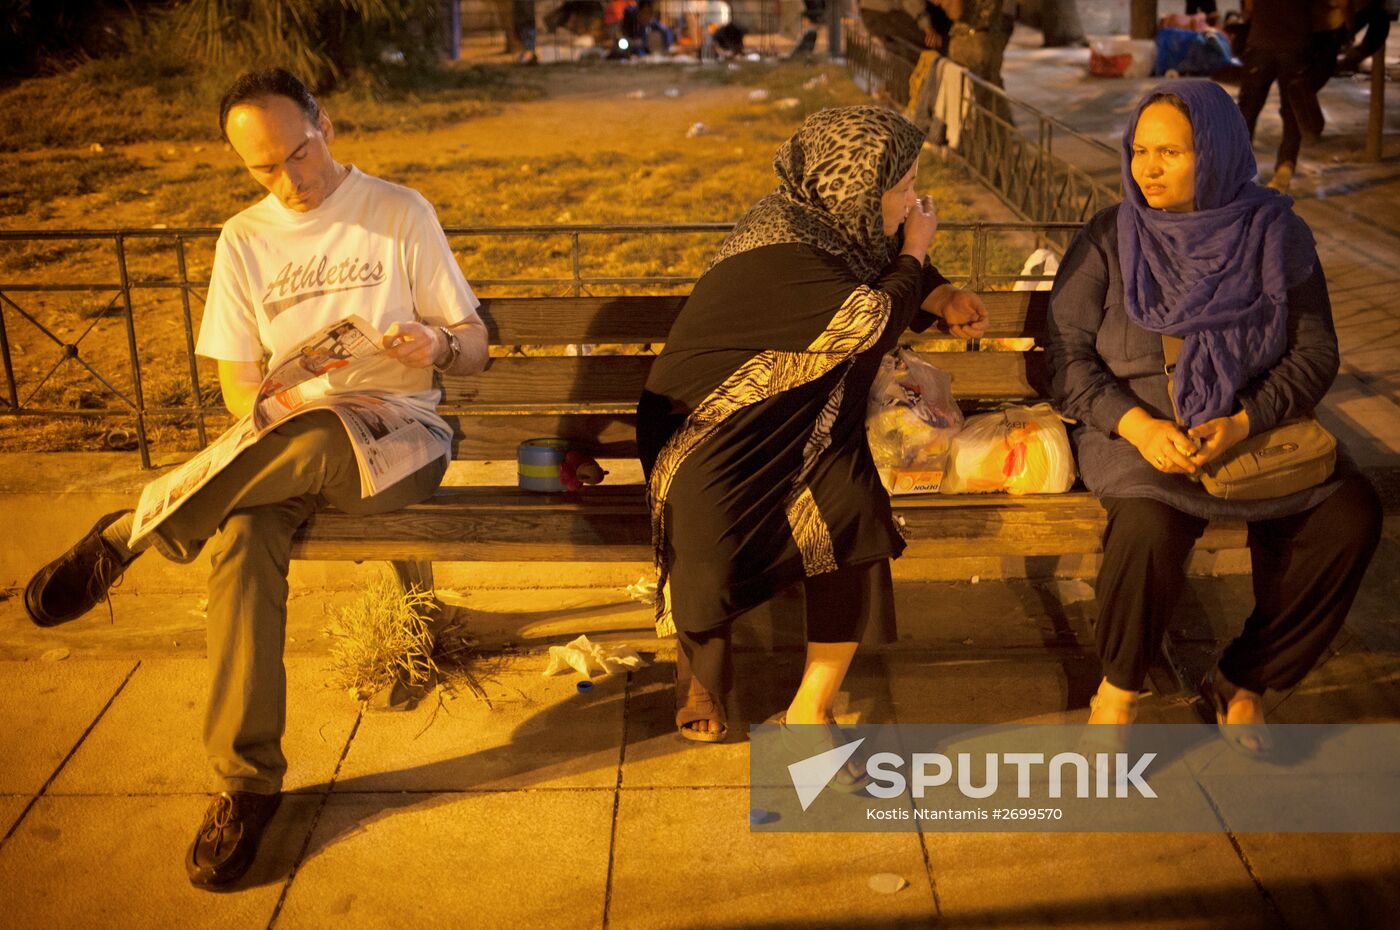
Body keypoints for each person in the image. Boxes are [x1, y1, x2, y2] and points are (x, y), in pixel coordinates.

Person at [22, 68, 488, 888]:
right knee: (238, 542)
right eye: (263, 169)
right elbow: (239, 386)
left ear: (327, 127)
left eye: (298, 155)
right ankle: (246, 784)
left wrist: (435, 346)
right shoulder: (243, 239)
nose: (289, 180)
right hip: (280, 450)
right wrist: (282, 395)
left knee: (309, 441)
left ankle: (130, 534)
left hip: (400, 438)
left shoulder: (397, 212)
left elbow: (473, 342)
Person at [637, 106, 989, 748]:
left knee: (850, 512)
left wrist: (936, 294)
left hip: (805, 420)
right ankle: (704, 680)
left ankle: (812, 706)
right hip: (710, 426)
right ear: (857, 192)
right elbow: (865, 317)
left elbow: (871, 265)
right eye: (903, 188)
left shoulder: (834, 224)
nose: (913, 203)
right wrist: (916, 249)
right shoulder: (784, 244)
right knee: (707, 548)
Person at [1047, 80, 1381, 754]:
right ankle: (1116, 697)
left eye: (1170, 151)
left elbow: (1315, 352)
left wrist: (1243, 421)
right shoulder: (1112, 237)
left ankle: (1243, 679)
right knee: (1148, 525)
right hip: (1138, 435)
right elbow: (1062, 357)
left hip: (1248, 436)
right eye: (1140, 150)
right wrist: (1137, 426)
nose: (1148, 167)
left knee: (1349, 515)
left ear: (1218, 152)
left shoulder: (1275, 234)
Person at [1236, 0, 1315, 191]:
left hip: (1261, 42)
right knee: (1292, 110)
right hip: (1296, 44)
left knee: (1247, 111)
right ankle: (1285, 166)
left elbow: (1248, 7)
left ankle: (1238, 171)